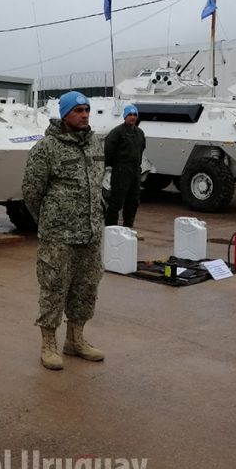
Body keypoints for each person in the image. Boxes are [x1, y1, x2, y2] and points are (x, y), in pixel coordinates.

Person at [22, 91, 105, 370]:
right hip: (59, 236)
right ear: (65, 114)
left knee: (86, 288)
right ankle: (48, 344)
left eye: (87, 109)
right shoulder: (47, 148)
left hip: (91, 232)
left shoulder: (95, 144)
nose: (84, 115)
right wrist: (50, 219)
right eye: (78, 110)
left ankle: (75, 340)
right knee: (53, 289)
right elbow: (32, 192)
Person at [103, 104, 146, 228]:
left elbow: (141, 148)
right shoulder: (117, 132)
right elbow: (109, 150)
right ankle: (111, 228)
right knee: (116, 201)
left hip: (135, 170)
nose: (132, 117)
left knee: (133, 201)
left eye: (135, 115)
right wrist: (113, 165)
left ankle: (128, 227)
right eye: (130, 115)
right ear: (125, 116)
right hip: (121, 170)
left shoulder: (140, 133)